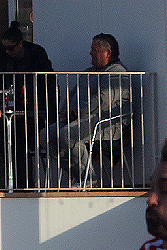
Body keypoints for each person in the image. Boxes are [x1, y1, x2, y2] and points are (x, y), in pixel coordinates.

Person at [40, 33, 129, 187]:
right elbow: (72, 93)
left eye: (95, 50)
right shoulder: (88, 72)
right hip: (79, 120)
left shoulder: (117, 73)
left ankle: (88, 178)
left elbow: (103, 100)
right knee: (46, 135)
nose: (90, 53)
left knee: (68, 134)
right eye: (92, 49)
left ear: (108, 53)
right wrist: (65, 111)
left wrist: (78, 112)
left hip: (105, 125)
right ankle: (77, 174)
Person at [0, 21, 54, 189]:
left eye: (11, 48)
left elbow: (46, 84)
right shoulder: (3, 56)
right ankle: (10, 181)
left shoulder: (37, 54)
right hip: (11, 110)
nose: (7, 52)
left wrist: (38, 106)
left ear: (20, 44)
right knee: (0, 131)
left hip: (34, 112)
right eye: (4, 48)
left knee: (22, 140)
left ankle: (25, 184)